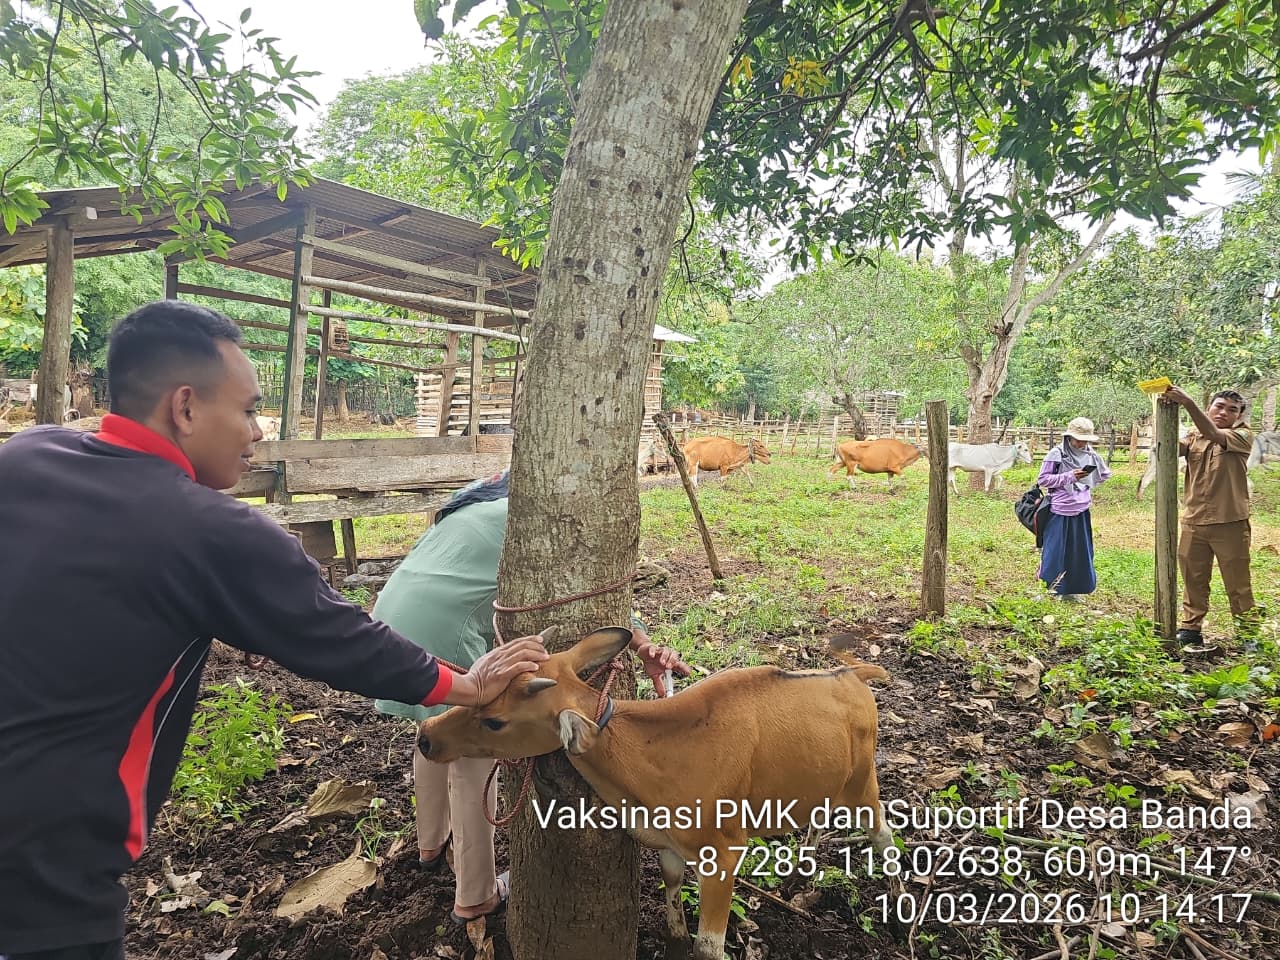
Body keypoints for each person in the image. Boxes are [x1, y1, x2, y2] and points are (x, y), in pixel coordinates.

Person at [0, 301, 549, 960]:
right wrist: (469, 684)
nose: (257, 431)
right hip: (44, 859)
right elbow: (345, 642)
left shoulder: (27, 456)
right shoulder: (218, 532)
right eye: (249, 409)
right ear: (185, 408)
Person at [372, 471, 689, 923]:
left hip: (391, 622)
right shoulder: (535, 521)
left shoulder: (475, 507)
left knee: (434, 727)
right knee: (471, 751)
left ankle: (430, 843)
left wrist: (640, 644)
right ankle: (476, 894)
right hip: (446, 631)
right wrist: (639, 643)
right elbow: (589, 589)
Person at [1158, 386, 1260, 648]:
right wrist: (1166, 410)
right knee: (1194, 577)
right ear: (1209, 408)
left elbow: (1214, 433)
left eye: (1232, 410)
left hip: (1230, 522)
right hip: (1194, 520)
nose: (1224, 412)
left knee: (1237, 581)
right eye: (1219, 406)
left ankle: (1248, 633)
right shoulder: (1193, 438)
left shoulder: (1243, 435)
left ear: (1239, 417)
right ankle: (1191, 628)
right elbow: (1167, 447)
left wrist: (1187, 402)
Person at [1036, 417, 1112, 601]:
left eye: (1085, 440)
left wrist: (1087, 478)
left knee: (1079, 552)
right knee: (1054, 552)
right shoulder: (1056, 455)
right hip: (1059, 510)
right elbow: (1043, 480)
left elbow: (1104, 475)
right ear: (1068, 437)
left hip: (1081, 509)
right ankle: (1048, 590)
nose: (1081, 443)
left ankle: (1072, 591)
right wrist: (1069, 477)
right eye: (1078, 439)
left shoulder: (1092, 455)